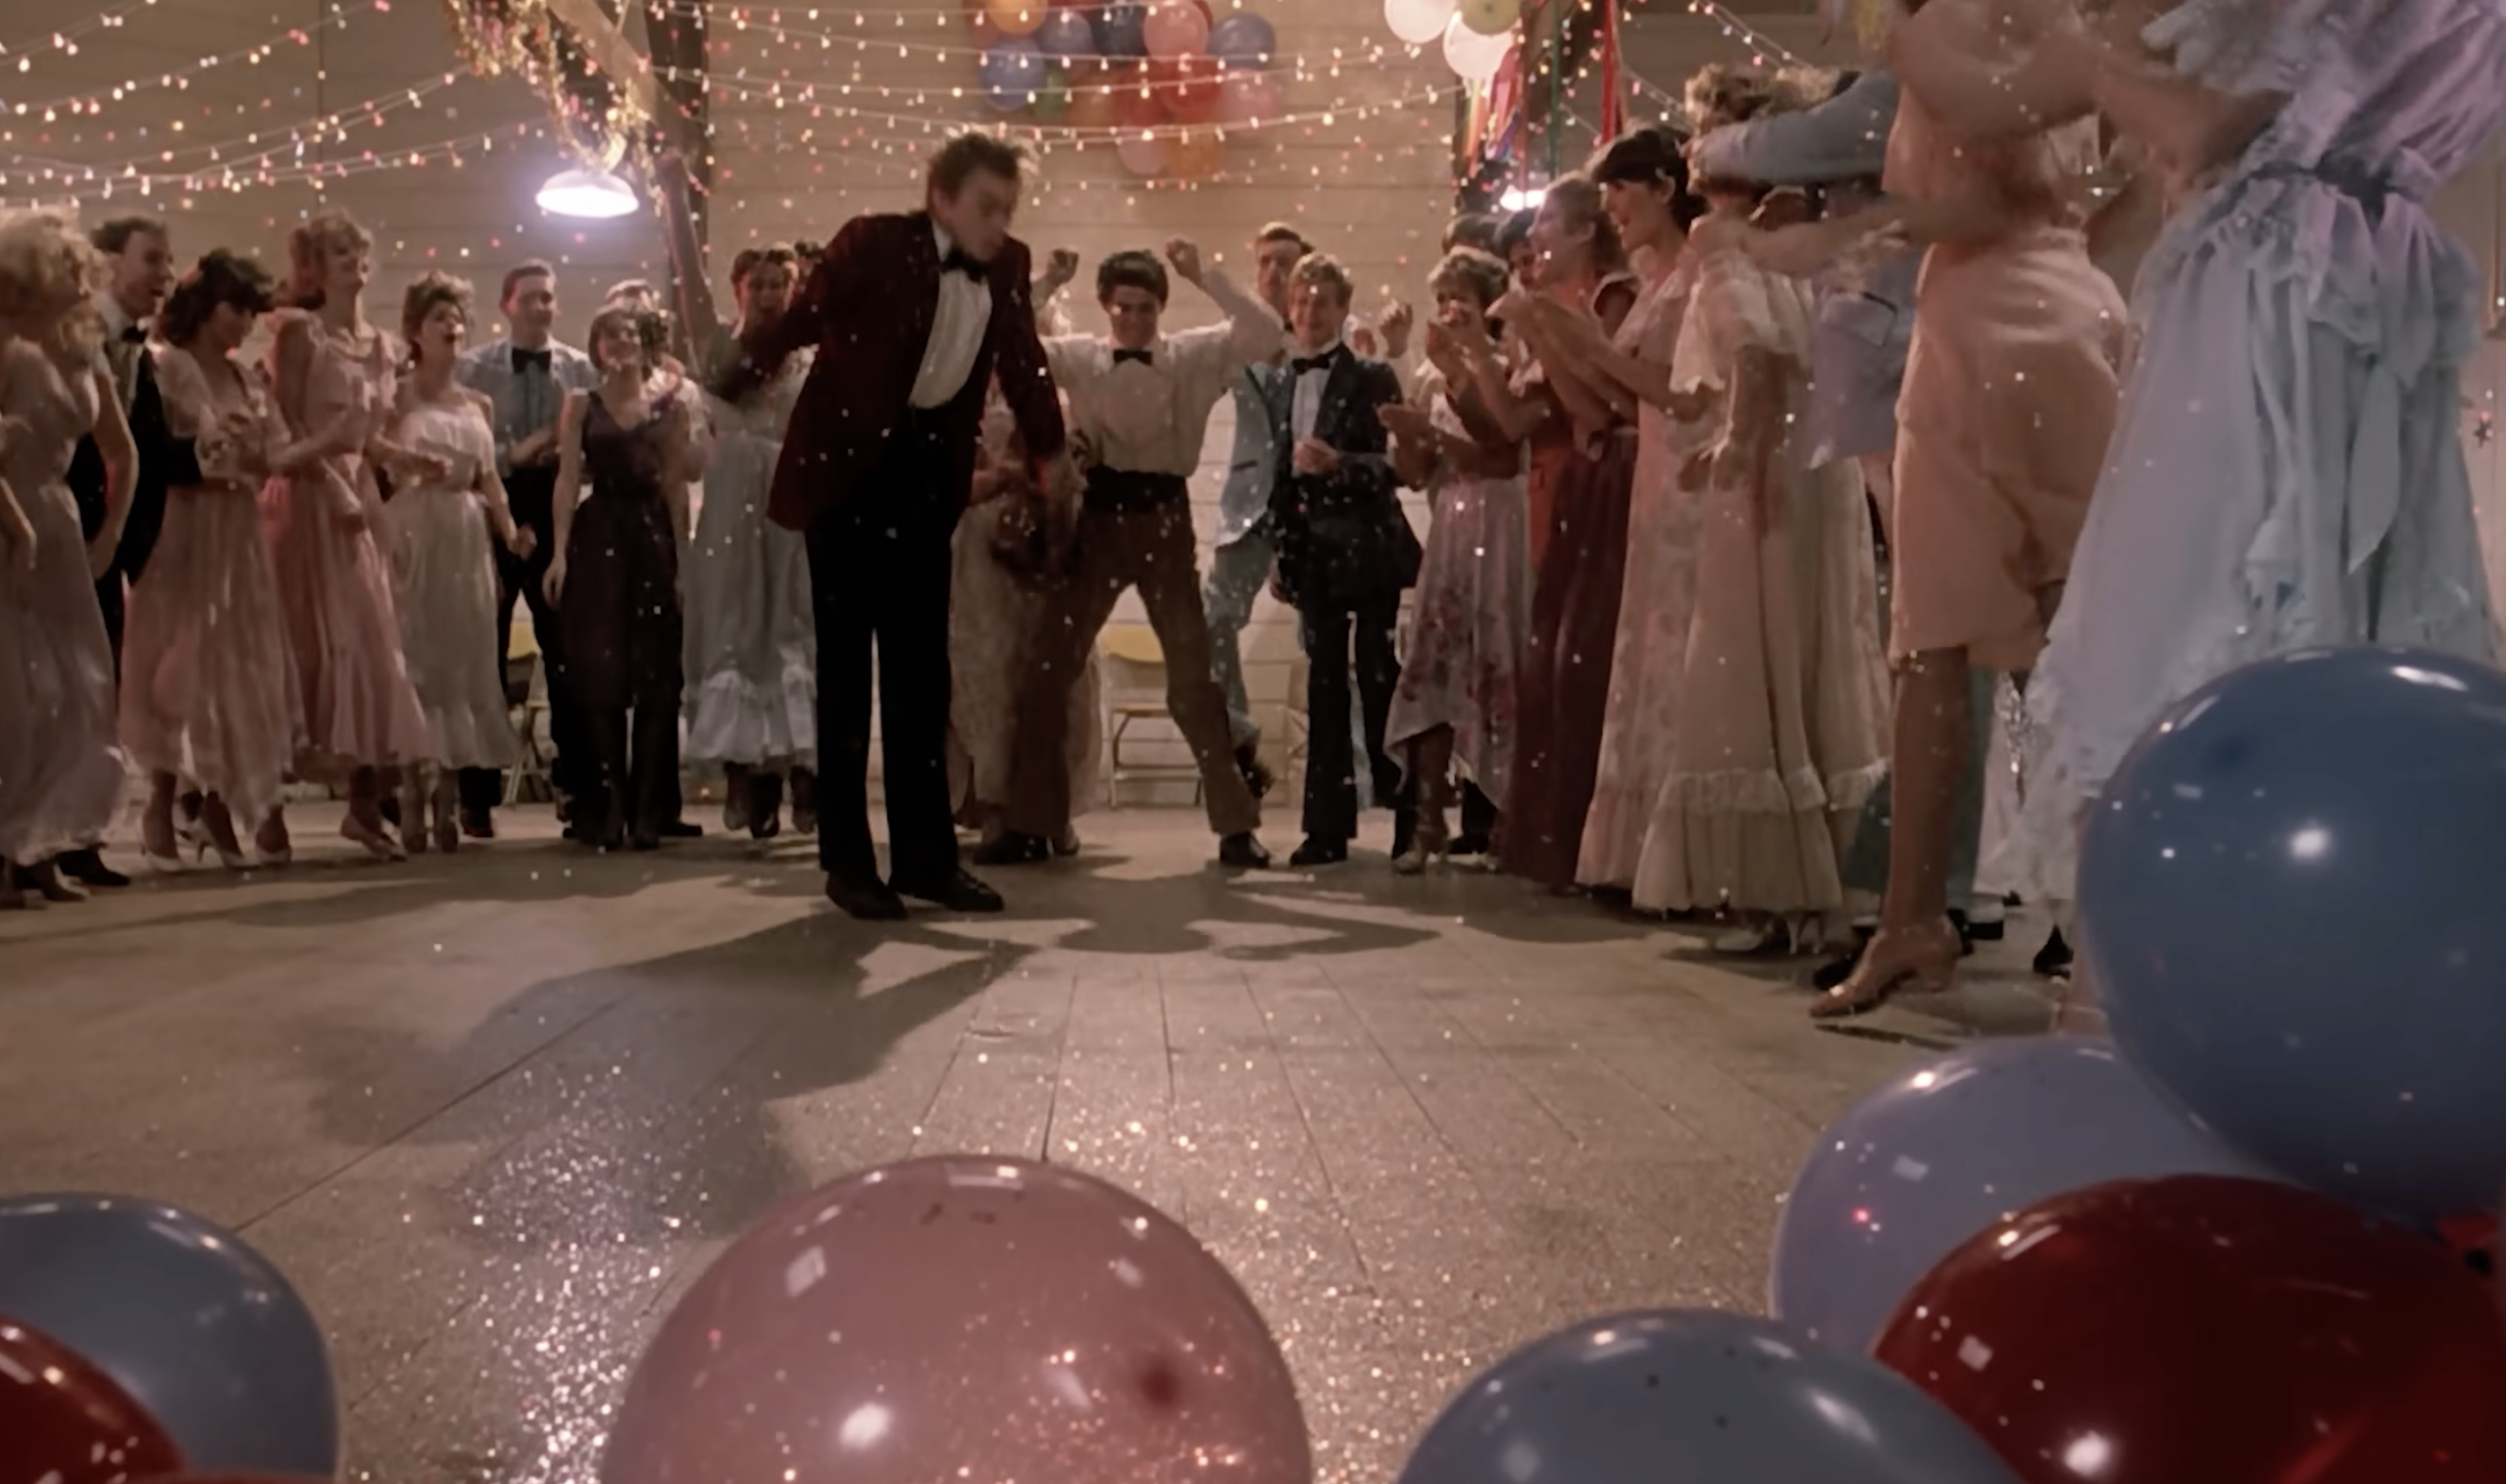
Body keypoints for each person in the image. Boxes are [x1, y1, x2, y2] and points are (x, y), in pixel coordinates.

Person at [1892, 0, 2506, 1026]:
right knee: (2320, 629)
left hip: (2261, 298)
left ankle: (2192, 1006)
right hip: (2359, 285)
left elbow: (2191, 121)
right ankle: (2333, 991)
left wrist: (2077, 58)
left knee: (2188, 637)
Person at [1743, 0, 2124, 1015]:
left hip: (1987, 333)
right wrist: (2072, 267)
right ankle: (2068, 918)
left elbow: (2004, 190)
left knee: (1954, 643)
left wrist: (1857, 231)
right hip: (2053, 315)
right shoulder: (2066, 26)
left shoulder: (1956, 22)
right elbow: (2084, 191)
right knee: (2029, 637)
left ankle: (1967, 920)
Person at [719, 130, 1067, 921]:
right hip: (845, 481)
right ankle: (848, 865)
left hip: (925, 483)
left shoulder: (1007, 264)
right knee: (846, 679)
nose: (998, 223)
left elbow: (1023, 356)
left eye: (1008, 209)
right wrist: (738, 369)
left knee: (920, 679)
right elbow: (803, 319)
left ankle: (926, 861)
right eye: (985, 206)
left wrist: (1048, 449)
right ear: (940, 196)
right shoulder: (873, 241)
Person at [985, 240, 1280, 869]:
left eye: (1146, 309)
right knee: (1047, 671)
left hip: (1166, 523)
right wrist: (1046, 283)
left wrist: (1205, 271)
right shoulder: (1083, 357)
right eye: (1123, 309)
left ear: (1160, 310)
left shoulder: (1195, 355)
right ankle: (1032, 823)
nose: (1134, 320)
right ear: (1105, 307)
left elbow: (1265, 331)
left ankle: (1235, 826)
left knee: (1194, 683)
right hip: (1096, 521)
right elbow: (1004, 342)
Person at [120, 249, 307, 872]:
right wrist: (209, 451)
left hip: (237, 530)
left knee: (243, 665)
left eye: (252, 312)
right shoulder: (167, 367)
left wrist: (257, 452)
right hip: (184, 526)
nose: (243, 323)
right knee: (178, 665)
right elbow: (155, 450)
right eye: (235, 308)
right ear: (205, 305)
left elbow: (275, 453)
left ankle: (229, 803)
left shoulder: (249, 379)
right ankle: (164, 803)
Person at [263, 208, 440, 862]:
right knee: (303, 647)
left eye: (357, 249)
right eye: (338, 251)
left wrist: (405, 460)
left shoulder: (381, 345)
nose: (352, 261)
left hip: (356, 505)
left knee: (369, 647)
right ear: (313, 265)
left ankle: (364, 807)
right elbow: (279, 426)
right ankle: (261, 806)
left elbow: (367, 438)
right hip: (304, 501)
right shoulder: (300, 334)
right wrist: (332, 480)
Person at [656, 152, 820, 840]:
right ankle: (746, 782)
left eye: (782, 283)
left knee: (793, 628)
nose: (770, 292)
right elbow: (688, 283)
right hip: (727, 505)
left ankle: (803, 780)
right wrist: (673, 199)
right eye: (759, 282)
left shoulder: (810, 357)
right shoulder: (717, 348)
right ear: (741, 289)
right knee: (733, 632)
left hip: (789, 503)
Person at [0, 213, 137, 910]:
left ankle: (40, 844)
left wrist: (111, 530)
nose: (82, 280)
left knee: (77, 689)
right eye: (67, 268)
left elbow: (122, 448)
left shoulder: (85, 348)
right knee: (18, 692)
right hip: (8, 515)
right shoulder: (5, 343)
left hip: (59, 520)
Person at [1378, 247, 1530, 871]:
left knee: (1501, 662)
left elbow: (1499, 454)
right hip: (1450, 526)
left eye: (1462, 296)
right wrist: (1410, 438)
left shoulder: (1506, 366)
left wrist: (1440, 430)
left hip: (1501, 522)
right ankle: (1426, 822)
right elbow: (1417, 474)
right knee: (1433, 668)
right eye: (1443, 298)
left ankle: (1505, 821)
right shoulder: (1427, 377)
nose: (1450, 308)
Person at [1268, 253, 1415, 866]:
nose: (1308, 312)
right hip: (1315, 558)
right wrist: (1281, 552)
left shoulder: (1374, 375)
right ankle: (1326, 829)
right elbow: (1280, 478)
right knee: (1323, 691)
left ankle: (1410, 819)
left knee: (1382, 681)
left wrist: (1343, 464)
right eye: (1300, 301)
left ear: (1341, 308)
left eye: (1321, 302)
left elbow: (1400, 465)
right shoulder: (1281, 377)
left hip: (1370, 548)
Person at [57, 214, 186, 889]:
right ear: (108, 263)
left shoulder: (137, 348)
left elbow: (142, 451)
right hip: (60, 527)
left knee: (97, 686)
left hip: (105, 540)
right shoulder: (72, 336)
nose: (165, 275)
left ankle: (79, 836)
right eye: (153, 260)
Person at [543, 304, 696, 853]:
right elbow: (565, 481)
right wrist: (558, 554)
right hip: (600, 533)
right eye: (610, 334)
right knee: (602, 673)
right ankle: (608, 807)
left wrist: (685, 558)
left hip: (651, 534)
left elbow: (677, 485)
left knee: (656, 677)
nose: (622, 340)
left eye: (630, 332)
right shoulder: (581, 403)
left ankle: (648, 811)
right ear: (596, 346)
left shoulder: (670, 405)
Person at [388, 272, 531, 852]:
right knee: (414, 657)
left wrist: (509, 531)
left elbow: (491, 478)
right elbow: (368, 450)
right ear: (415, 332)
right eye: (438, 319)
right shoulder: (397, 394)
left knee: (460, 662)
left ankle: (448, 797)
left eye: (457, 319)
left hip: (466, 534)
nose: (451, 327)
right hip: (414, 527)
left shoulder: (478, 402)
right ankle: (407, 796)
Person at [456, 258, 598, 838]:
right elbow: (465, 444)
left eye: (549, 298)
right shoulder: (474, 367)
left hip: (555, 505)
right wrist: (518, 452)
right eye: (531, 297)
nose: (542, 306)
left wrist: (565, 458)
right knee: (482, 646)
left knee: (565, 648)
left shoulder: (580, 368)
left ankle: (574, 785)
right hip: (494, 504)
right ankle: (476, 793)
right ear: (506, 304)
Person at [1201, 222, 1311, 798]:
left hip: (1313, 508)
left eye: (1285, 262)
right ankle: (1241, 740)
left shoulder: (1326, 334)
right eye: (1265, 261)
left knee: (1327, 640)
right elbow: (1190, 383)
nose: (1273, 272)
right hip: (1248, 503)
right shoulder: (1234, 337)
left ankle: (1354, 783)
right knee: (1212, 624)